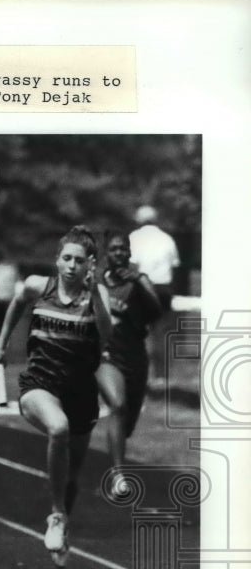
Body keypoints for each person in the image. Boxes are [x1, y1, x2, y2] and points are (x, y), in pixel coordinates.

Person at [0, 225, 113, 567]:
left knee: (71, 474)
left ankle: (62, 522)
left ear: (90, 265)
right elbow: (16, 305)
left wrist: (98, 292)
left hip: (81, 392)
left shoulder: (95, 296)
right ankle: (56, 516)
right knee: (58, 428)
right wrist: (1, 344)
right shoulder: (37, 286)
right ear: (57, 260)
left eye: (79, 261)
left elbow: (106, 335)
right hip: (39, 385)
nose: (72, 266)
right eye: (66, 259)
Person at [97, 232, 161, 491]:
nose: (120, 253)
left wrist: (139, 282)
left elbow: (156, 311)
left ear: (130, 253)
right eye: (114, 249)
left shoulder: (140, 280)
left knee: (128, 422)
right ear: (106, 254)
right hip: (106, 356)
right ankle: (119, 474)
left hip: (135, 356)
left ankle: (115, 454)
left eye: (123, 249)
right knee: (117, 405)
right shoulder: (98, 282)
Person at [128, 205, 179, 388]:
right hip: (164, 288)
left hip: (144, 286)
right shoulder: (167, 239)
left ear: (139, 220)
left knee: (141, 333)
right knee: (161, 332)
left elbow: (131, 266)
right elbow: (173, 265)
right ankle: (162, 377)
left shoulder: (134, 238)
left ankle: (143, 375)